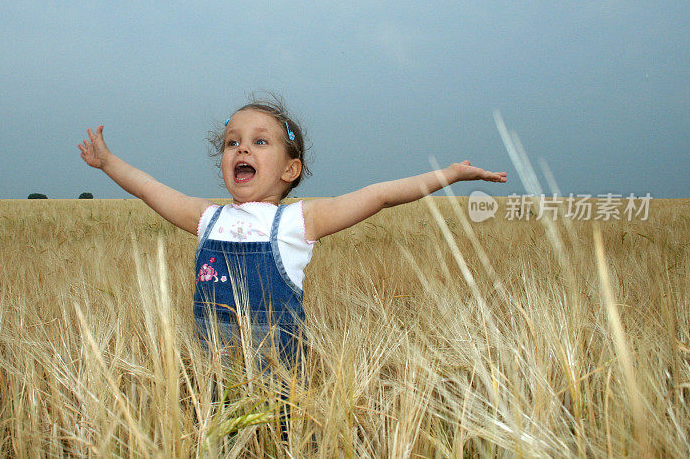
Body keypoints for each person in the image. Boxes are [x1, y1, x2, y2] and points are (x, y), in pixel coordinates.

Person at [78, 97, 507, 370]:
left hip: (280, 376)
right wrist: (109, 163)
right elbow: (151, 190)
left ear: (290, 170)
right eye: (232, 142)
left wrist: (450, 174)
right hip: (213, 367)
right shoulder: (208, 217)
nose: (242, 148)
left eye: (260, 142)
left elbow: (379, 196)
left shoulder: (300, 221)